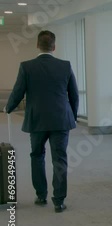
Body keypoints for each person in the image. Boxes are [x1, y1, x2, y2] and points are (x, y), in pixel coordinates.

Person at [5, 30, 79, 213]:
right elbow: (74, 95)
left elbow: (18, 92)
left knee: (37, 156)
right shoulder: (65, 66)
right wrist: (72, 117)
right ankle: (59, 201)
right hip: (61, 120)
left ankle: (40, 195)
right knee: (59, 159)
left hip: (37, 120)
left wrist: (8, 108)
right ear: (54, 47)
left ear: (37, 45)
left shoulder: (26, 66)